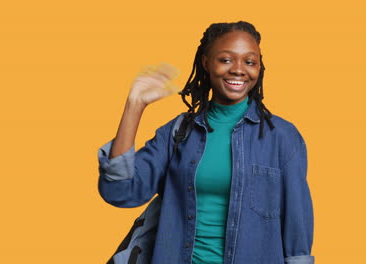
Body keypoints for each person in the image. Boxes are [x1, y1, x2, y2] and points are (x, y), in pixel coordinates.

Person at [98, 21, 315, 264]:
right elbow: (120, 192)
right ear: (206, 63)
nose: (239, 70)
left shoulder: (282, 137)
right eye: (226, 60)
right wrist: (134, 106)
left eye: (250, 61)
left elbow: (297, 226)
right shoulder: (178, 133)